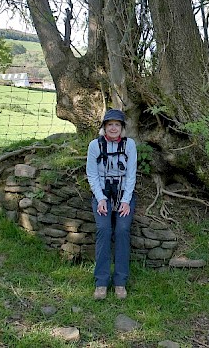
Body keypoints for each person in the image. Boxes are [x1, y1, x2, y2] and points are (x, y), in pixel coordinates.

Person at [85, 108, 137, 300]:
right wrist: (100, 198)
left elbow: (131, 174)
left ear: (122, 127)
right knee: (104, 229)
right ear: (104, 127)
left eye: (117, 124)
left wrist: (125, 201)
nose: (113, 128)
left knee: (123, 230)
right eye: (110, 124)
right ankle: (101, 282)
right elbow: (92, 174)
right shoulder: (95, 146)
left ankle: (120, 282)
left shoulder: (129, 145)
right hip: (103, 196)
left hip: (125, 195)